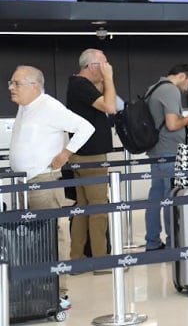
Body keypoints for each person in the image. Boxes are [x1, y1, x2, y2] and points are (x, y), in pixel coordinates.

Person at [9, 65, 94, 308]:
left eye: (16, 83)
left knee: (53, 237)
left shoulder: (49, 106)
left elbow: (86, 127)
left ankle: (59, 292)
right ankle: (33, 288)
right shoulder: (25, 108)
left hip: (44, 183)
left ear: (34, 85)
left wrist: (66, 153)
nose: (10, 87)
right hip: (23, 185)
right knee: (31, 241)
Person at [66, 48, 117, 270]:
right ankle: (101, 261)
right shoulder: (80, 85)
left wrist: (104, 80)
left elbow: (104, 100)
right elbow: (110, 106)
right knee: (98, 209)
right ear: (90, 66)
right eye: (103, 65)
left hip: (82, 154)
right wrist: (109, 78)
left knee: (83, 207)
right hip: (91, 156)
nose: (106, 68)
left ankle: (77, 258)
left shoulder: (78, 85)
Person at [144, 64, 188, 251]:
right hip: (169, 152)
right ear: (182, 76)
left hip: (156, 151)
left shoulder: (154, 88)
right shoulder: (170, 90)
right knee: (170, 197)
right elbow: (172, 124)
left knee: (155, 198)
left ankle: (152, 241)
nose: (187, 88)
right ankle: (173, 243)